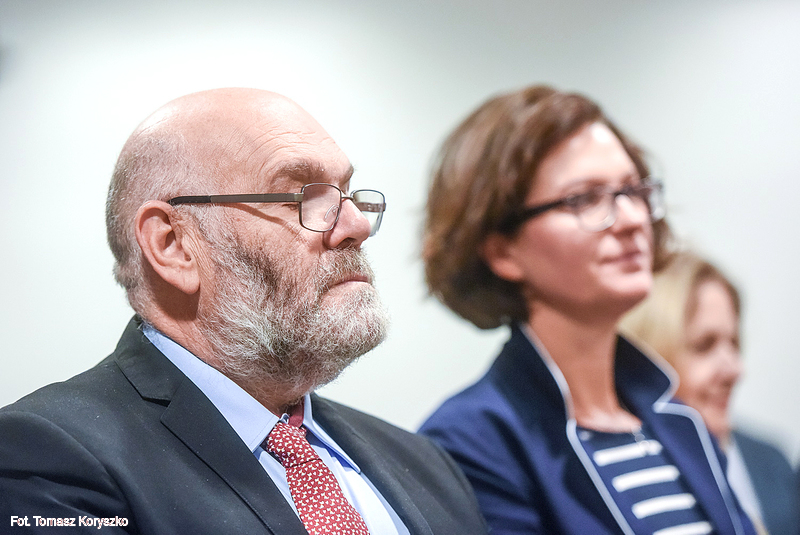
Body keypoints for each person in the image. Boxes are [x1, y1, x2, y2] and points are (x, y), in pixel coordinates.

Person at [0, 88, 487, 534]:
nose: (356, 224)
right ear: (173, 245)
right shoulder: (50, 457)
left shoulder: (427, 465)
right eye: (302, 196)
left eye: (347, 193)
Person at [417, 84, 756, 534]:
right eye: (584, 199)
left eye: (633, 190)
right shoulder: (470, 442)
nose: (633, 219)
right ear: (502, 252)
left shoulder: (681, 420)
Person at [619, 250, 800, 535]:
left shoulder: (772, 462)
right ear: (649, 354)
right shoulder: (624, 474)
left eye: (734, 343)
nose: (735, 370)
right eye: (704, 345)